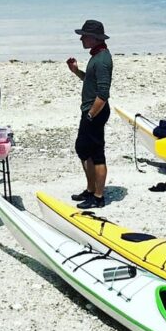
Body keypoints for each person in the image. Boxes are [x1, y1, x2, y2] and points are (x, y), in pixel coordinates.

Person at [66, 19, 113, 209]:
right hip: (91, 111)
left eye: (84, 36)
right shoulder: (97, 56)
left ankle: (98, 196)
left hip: (95, 112)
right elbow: (90, 82)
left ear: (93, 38)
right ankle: (91, 189)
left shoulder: (102, 60)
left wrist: (91, 115)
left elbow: (103, 93)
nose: (81, 40)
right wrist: (76, 71)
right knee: (84, 151)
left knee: (96, 154)